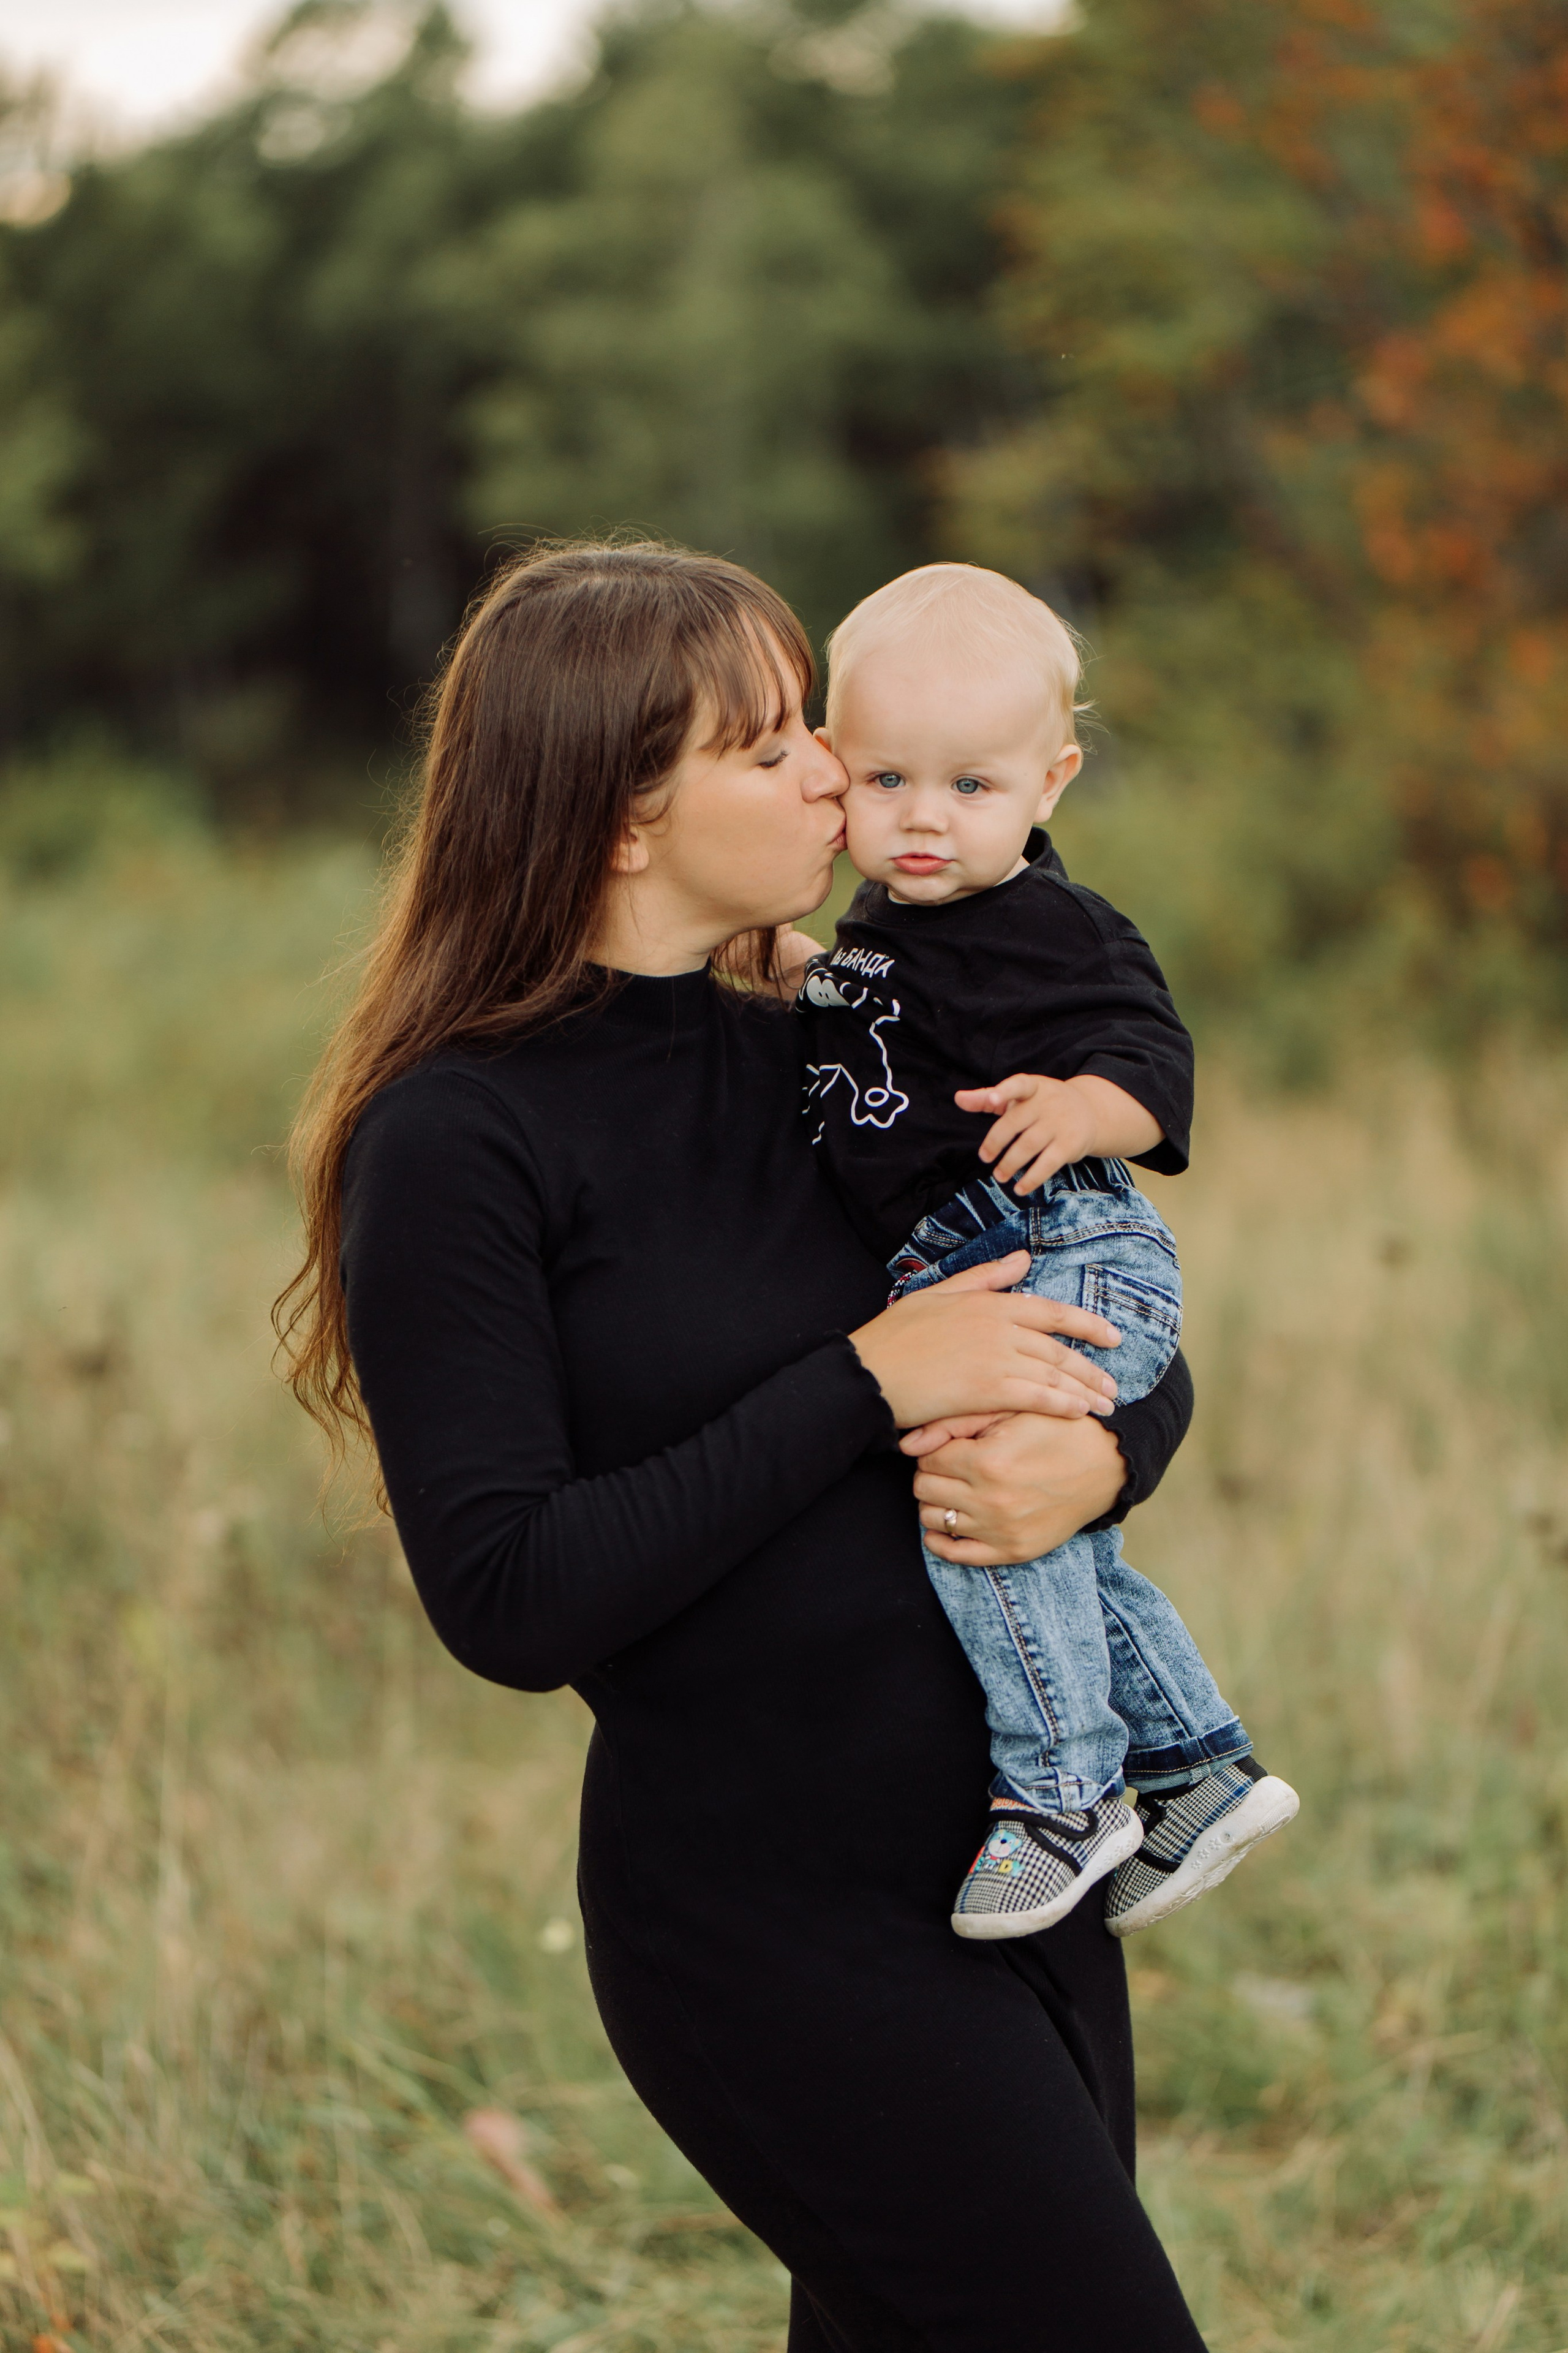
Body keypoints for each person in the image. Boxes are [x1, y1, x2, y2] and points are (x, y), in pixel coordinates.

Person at [276, 541, 1211, 2351]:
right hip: (768, 1920)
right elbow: (509, 1598)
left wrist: (1103, 1463)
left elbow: (1098, 1305)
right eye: (772, 740)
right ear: (627, 817)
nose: (830, 774)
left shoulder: (845, 1032)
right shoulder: (457, 1138)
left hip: (1024, 1847)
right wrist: (866, 1380)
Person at [788, 563, 1298, 1944]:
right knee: (1055, 1533)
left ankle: (1062, 1794)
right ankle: (1192, 1769)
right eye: (886, 779)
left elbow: (1153, 1059)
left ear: (1051, 781)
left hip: (1060, 1237)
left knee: (977, 1491)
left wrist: (1086, 1105)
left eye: (970, 787)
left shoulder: (1044, 923)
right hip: (980, 1258)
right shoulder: (880, 923)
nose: (922, 821)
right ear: (832, 763)